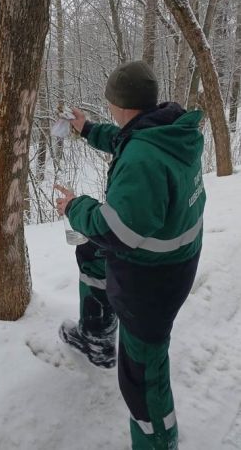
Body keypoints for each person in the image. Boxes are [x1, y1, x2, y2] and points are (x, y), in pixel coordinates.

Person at [55, 60, 206, 450]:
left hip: (152, 283)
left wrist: (75, 206)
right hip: (169, 258)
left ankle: (159, 441)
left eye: (108, 105)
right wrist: (86, 129)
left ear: (120, 105)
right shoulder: (167, 130)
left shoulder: (143, 159)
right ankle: (98, 338)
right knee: (90, 250)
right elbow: (127, 140)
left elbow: (116, 228)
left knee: (143, 378)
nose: (108, 111)